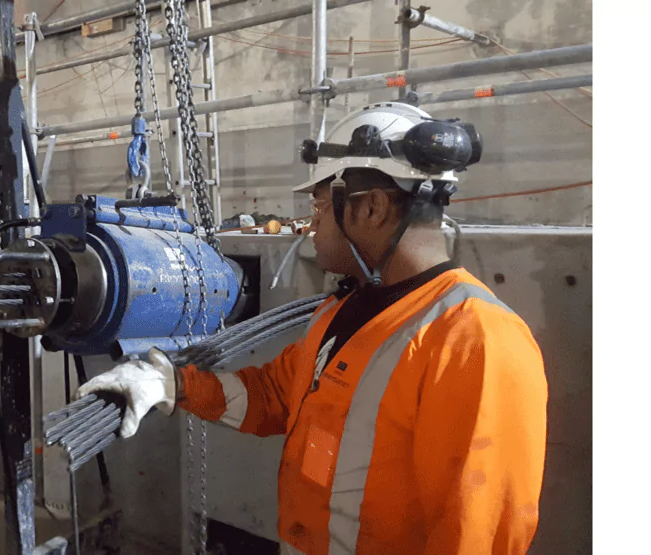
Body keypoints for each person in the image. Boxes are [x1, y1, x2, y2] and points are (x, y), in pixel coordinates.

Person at [77, 103, 548, 555]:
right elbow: (272, 396)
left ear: (371, 209)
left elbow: (478, 533)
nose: (311, 226)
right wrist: (169, 384)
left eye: (321, 208)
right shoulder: (345, 309)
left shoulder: (476, 341)